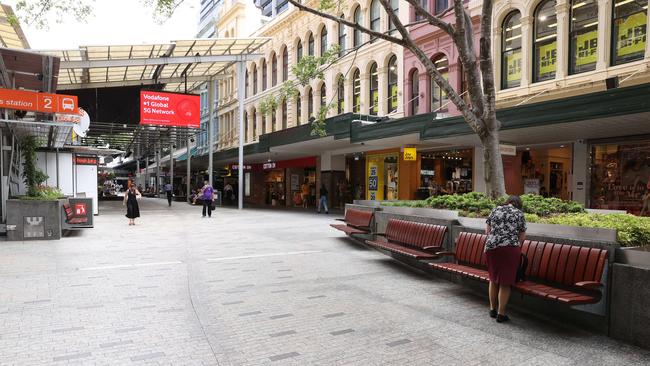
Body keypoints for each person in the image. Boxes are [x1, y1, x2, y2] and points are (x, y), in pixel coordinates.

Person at [485, 195, 526, 323]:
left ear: (507, 202)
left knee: (493, 278)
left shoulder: (495, 209)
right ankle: (501, 314)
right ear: (518, 204)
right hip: (509, 248)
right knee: (505, 282)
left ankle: (492, 309)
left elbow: (487, 231)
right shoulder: (519, 214)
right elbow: (522, 236)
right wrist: (515, 245)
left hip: (492, 248)